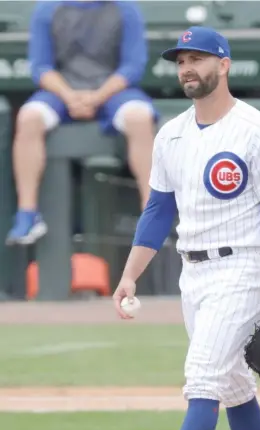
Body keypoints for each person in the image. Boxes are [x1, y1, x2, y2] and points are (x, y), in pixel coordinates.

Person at [113, 26, 260, 430]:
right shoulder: (171, 134)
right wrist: (130, 276)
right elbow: (157, 211)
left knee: (204, 376)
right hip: (192, 272)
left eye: (198, 58)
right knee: (236, 386)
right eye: (181, 61)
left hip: (244, 267)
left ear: (224, 64)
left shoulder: (258, 130)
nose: (187, 68)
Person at [6, 0, 157, 246]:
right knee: (29, 117)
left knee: (140, 118)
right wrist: (70, 96)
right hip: (63, 91)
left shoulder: (125, 8)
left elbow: (133, 67)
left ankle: (151, 213)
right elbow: (41, 68)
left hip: (112, 91)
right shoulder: (48, 8)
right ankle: (28, 214)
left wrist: (96, 97)